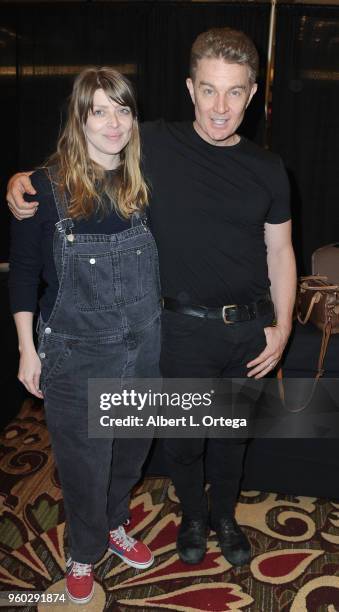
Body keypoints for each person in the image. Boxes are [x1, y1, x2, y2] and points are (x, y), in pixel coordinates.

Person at [7, 27, 296, 569]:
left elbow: (281, 252)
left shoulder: (268, 169)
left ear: (252, 94)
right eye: (209, 89)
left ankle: (225, 516)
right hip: (178, 332)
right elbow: (79, 159)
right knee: (181, 442)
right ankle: (188, 516)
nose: (220, 106)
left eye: (234, 92)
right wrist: (20, 180)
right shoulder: (154, 143)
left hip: (244, 331)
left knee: (227, 439)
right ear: (190, 89)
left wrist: (281, 327)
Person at [8, 67, 162, 604]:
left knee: (130, 453)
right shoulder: (44, 190)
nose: (114, 122)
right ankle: (82, 549)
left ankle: (115, 523)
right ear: (79, 119)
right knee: (83, 462)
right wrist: (27, 349)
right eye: (99, 110)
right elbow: (24, 274)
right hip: (74, 352)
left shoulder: (145, 180)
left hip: (143, 345)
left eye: (123, 109)